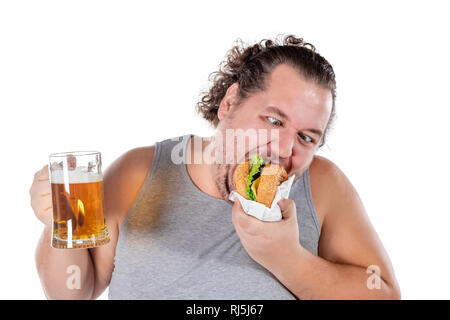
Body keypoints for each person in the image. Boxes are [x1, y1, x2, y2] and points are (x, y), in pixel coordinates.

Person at [30, 35, 401, 299]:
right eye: (273, 121)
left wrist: (288, 260)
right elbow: (74, 293)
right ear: (229, 104)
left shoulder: (322, 185)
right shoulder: (140, 171)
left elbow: (381, 292)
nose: (285, 148)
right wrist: (57, 225)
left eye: (307, 137)